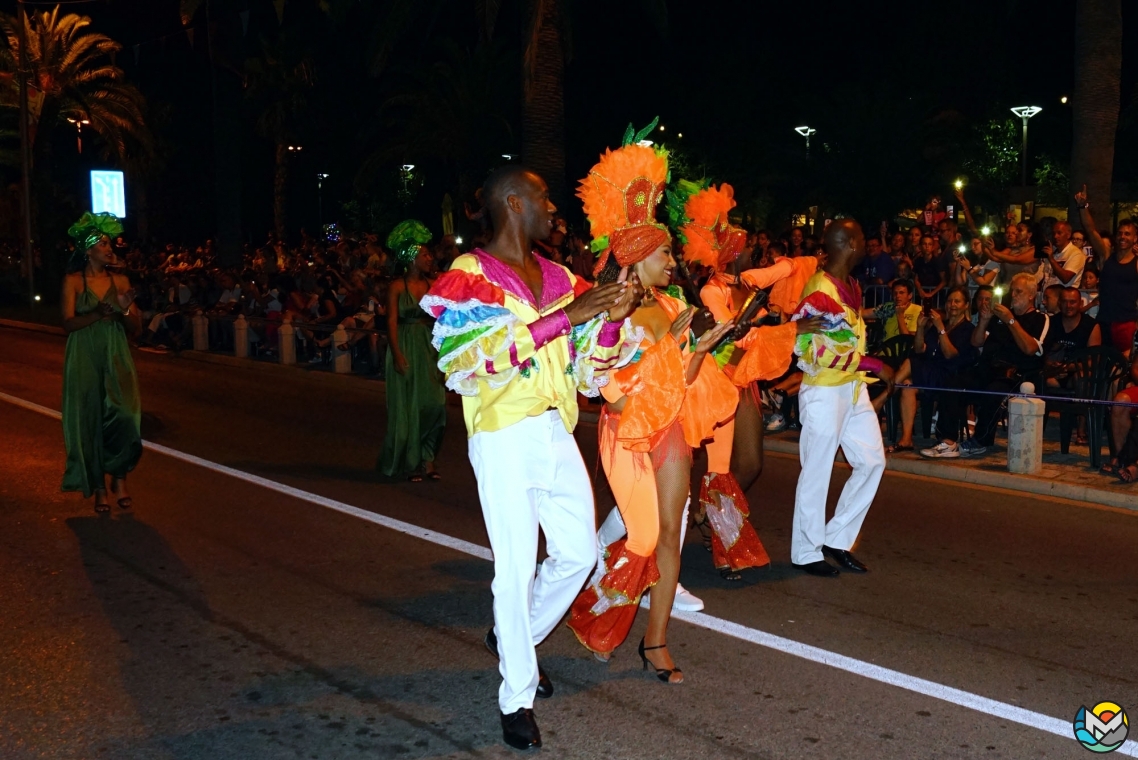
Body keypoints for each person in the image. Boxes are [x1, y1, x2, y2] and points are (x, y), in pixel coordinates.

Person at [420, 164, 641, 751]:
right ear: (514, 203)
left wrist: (611, 321)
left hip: (554, 429)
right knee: (514, 570)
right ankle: (516, 695)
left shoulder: (561, 277)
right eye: (543, 198)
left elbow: (589, 372)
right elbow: (482, 357)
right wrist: (569, 317)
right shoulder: (469, 277)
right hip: (502, 434)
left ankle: (515, 636)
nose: (554, 208)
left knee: (576, 554)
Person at [568, 140, 737, 678]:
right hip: (625, 434)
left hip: (669, 430)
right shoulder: (608, 312)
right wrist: (653, 358)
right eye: (664, 254)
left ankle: (656, 641)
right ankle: (596, 614)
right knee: (640, 537)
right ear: (639, 256)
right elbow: (601, 387)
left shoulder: (674, 307)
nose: (673, 261)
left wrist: (699, 351)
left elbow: (679, 383)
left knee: (671, 535)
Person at [789, 219, 894, 577]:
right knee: (816, 471)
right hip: (824, 390)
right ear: (850, 243)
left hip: (851, 387)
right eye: (864, 236)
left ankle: (836, 538)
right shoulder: (820, 288)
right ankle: (806, 551)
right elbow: (815, 349)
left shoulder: (851, 284)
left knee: (872, 461)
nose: (868, 242)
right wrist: (874, 364)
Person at [60, 212, 143, 513]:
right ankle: (98, 487)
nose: (110, 249)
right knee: (89, 418)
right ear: (87, 250)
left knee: (124, 413)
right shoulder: (72, 281)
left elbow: (137, 328)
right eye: (103, 244)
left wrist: (123, 311)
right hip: (83, 352)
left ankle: (119, 477)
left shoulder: (120, 280)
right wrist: (97, 314)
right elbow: (68, 323)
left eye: (110, 243)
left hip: (115, 350)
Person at [922, 272, 1050, 459]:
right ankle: (948, 441)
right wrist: (983, 320)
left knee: (994, 393)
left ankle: (980, 441)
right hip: (987, 368)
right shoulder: (1001, 316)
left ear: (1032, 295)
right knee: (953, 383)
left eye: (1018, 292)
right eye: (1012, 291)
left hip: (1014, 373)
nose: (1013, 295)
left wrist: (1011, 321)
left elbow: (1031, 349)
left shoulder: (1040, 319)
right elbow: (976, 342)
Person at [376, 220, 447, 482]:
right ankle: (414, 462)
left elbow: (444, 318)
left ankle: (428, 455)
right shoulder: (397, 287)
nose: (430, 258)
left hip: (429, 347)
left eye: (429, 254)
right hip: (405, 345)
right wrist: (396, 353)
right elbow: (392, 322)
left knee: (435, 405)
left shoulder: (434, 284)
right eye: (424, 254)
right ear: (411, 259)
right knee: (409, 408)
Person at [884, 287, 976, 454]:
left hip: (948, 377)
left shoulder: (967, 329)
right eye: (949, 301)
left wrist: (941, 328)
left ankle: (882, 397)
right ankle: (906, 439)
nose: (952, 305)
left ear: (966, 305)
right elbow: (920, 349)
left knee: (911, 362)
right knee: (906, 385)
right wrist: (920, 327)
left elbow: (950, 355)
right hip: (931, 374)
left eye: (957, 301)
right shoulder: (938, 326)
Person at [1075, 186, 1137, 356]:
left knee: (1125, 365)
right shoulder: (1106, 256)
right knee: (1101, 363)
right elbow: (1090, 230)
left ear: (1135, 238)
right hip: (1104, 321)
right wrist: (1082, 207)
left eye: (1128, 234)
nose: (1123, 237)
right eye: (1120, 233)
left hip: (1126, 323)